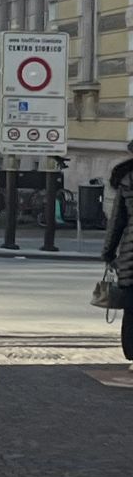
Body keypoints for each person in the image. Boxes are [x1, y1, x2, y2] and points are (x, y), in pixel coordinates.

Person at [101, 142, 133, 362]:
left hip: (131, 254)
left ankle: (132, 354)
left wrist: (109, 252)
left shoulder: (127, 178)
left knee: (131, 309)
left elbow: (117, 221)